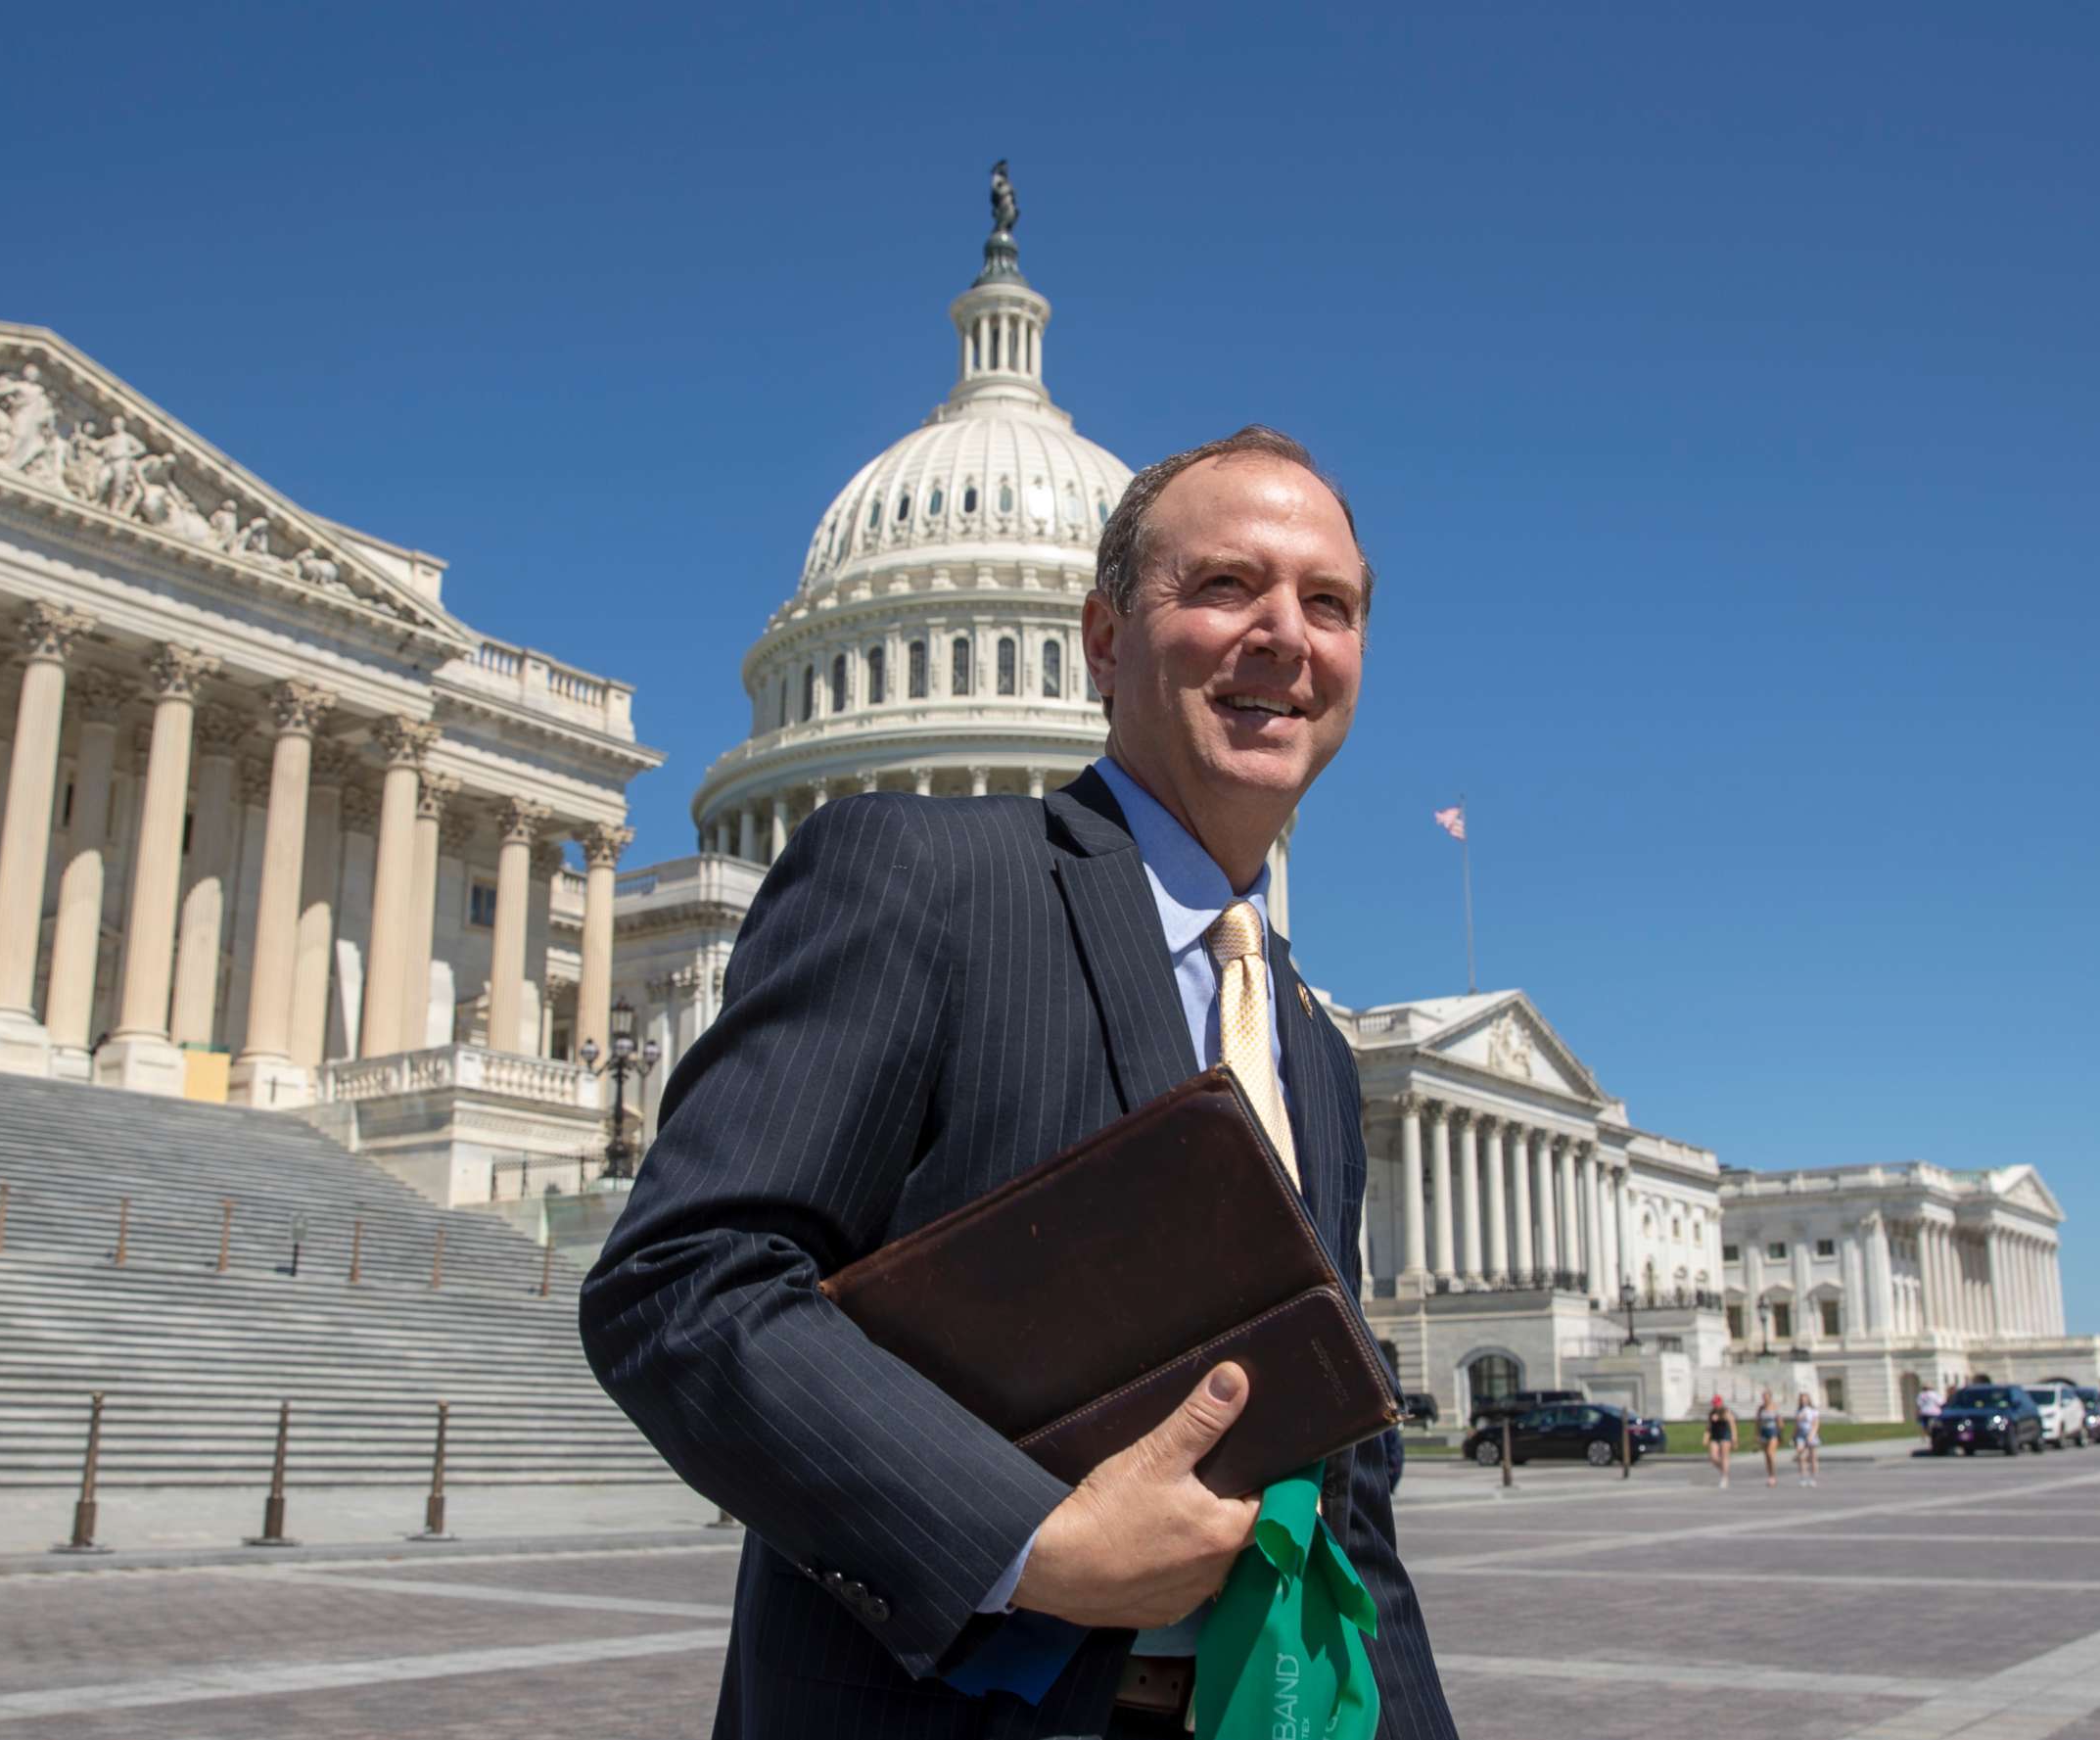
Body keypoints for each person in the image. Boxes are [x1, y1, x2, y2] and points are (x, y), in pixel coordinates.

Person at [581, 427, 1457, 1739]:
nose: (1284, 634)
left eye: (1326, 604)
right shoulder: (918, 879)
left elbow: (1344, 1488)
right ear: (1102, 644)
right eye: (1225, 587)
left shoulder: (1315, 1052)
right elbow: (684, 1279)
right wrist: (1027, 1539)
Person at [1704, 1394, 1736, 1489]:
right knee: (1713, 1457)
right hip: (1715, 1436)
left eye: (1717, 1403)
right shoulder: (1711, 1413)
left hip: (1725, 1436)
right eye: (1714, 1404)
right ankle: (1724, 1470)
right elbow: (1709, 1426)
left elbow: (1732, 1424)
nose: (1716, 1406)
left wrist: (1734, 1438)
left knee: (1724, 1457)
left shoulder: (1726, 1411)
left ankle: (1724, 1478)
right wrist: (1705, 1437)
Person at [1793, 1391, 1822, 1486]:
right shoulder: (1798, 1411)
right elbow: (1797, 1425)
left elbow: (1816, 1424)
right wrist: (1793, 1435)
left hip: (1810, 1433)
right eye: (1801, 1399)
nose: (1803, 1401)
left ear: (1808, 1400)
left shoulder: (1813, 1410)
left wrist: (1811, 1435)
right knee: (1801, 1456)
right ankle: (1803, 1478)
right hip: (1801, 1434)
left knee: (1813, 1457)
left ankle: (1813, 1478)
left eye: (1805, 1399)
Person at [1755, 1389, 1783, 1487]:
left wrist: (1779, 1433)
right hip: (1764, 1432)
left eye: (1766, 1397)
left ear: (1770, 1397)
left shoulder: (1774, 1407)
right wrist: (1757, 1435)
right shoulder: (1761, 1408)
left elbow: (1780, 1422)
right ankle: (1770, 1476)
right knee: (1766, 1455)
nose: (1765, 1399)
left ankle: (1773, 1476)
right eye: (1763, 1397)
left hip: (1773, 1432)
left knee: (1771, 1454)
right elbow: (1758, 1422)